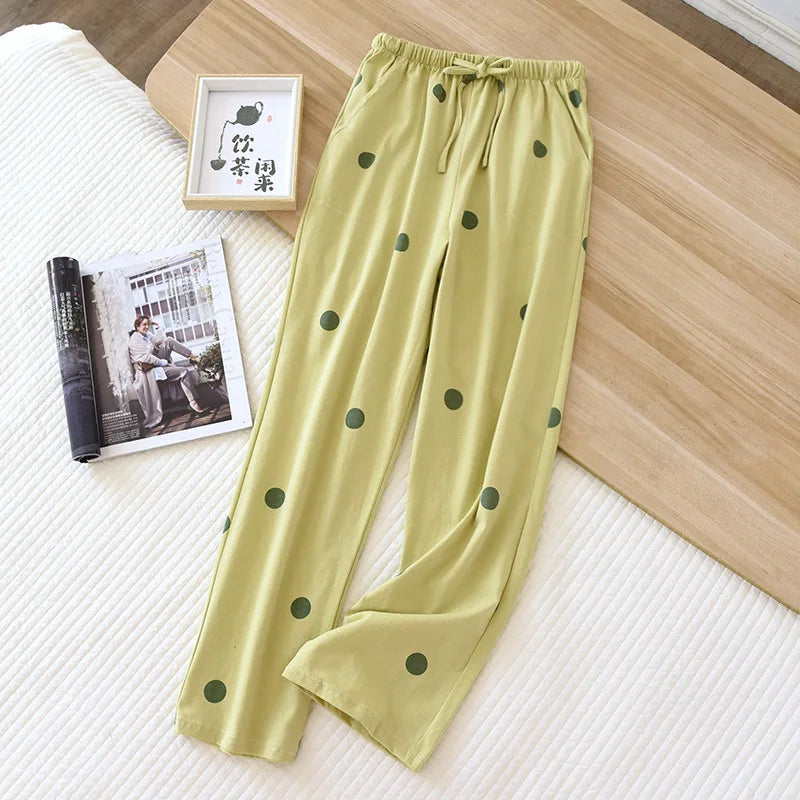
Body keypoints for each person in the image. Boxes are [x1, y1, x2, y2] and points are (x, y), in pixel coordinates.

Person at [128, 315, 208, 428]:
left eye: (148, 324)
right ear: (137, 326)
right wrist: (165, 363)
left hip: (156, 364)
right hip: (148, 371)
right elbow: (146, 358)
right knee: (184, 371)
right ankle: (193, 403)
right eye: (144, 325)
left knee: (169, 340)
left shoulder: (147, 336)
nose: (147, 327)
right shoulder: (135, 339)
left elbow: (161, 340)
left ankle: (192, 356)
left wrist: (158, 326)